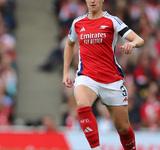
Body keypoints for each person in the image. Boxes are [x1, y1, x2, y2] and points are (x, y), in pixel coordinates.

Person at [62, 0, 144, 149]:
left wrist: (131, 44)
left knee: (123, 128)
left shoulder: (112, 21)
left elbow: (139, 40)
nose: (92, 1)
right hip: (86, 76)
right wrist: (65, 72)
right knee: (81, 102)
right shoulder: (78, 23)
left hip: (111, 80)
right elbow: (69, 44)